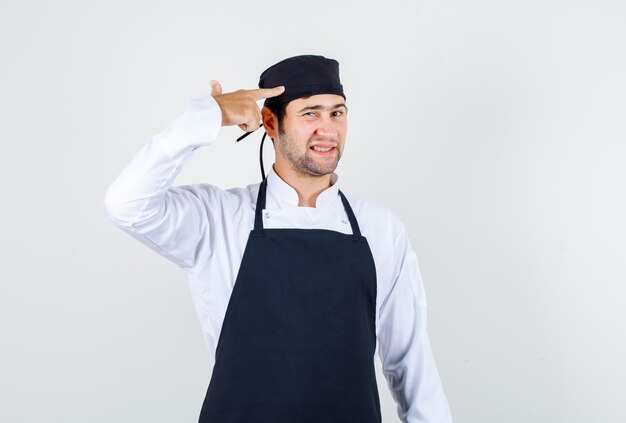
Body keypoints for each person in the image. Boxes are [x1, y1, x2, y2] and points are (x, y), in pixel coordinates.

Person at [103, 55, 453, 423]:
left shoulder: (380, 228)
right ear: (271, 123)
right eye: (310, 114)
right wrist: (205, 117)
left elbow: (412, 363)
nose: (328, 130)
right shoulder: (218, 219)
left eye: (337, 113)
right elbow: (126, 203)